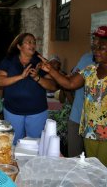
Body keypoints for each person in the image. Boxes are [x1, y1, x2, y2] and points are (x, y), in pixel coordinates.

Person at [39, 26, 107, 165]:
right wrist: (51, 70)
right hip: (90, 131)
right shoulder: (90, 70)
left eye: (102, 48)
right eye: (96, 47)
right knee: (92, 170)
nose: (96, 50)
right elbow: (69, 83)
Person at [0, 33, 56, 144]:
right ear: (19, 46)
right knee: (13, 143)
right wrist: (21, 76)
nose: (32, 45)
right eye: (28, 42)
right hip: (12, 110)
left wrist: (37, 78)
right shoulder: (9, 60)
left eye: (34, 42)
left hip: (37, 111)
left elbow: (53, 86)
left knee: (35, 144)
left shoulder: (40, 62)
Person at [67, 31, 100, 157]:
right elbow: (71, 82)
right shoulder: (86, 58)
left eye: (99, 40)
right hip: (76, 118)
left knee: (96, 165)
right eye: (94, 39)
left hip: (98, 126)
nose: (94, 43)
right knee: (73, 160)